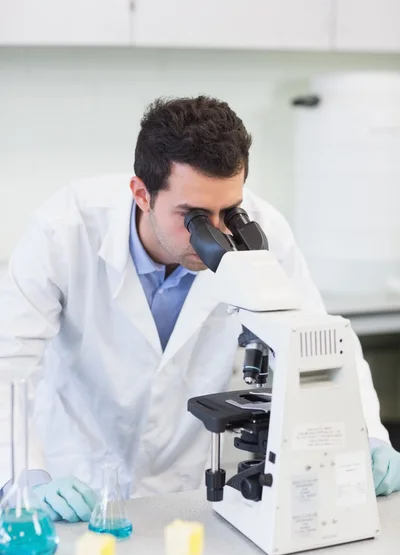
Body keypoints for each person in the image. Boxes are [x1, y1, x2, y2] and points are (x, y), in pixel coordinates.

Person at [0, 96, 399, 523]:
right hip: (77, 481)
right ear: (141, 194)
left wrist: (369, 437)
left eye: (229, 211)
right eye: (194, 216)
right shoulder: (65, 230)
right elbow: (9, 364)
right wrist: (26, 477)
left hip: (196, 486)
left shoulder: (266, 231)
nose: (218, 232)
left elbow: (320, 346)